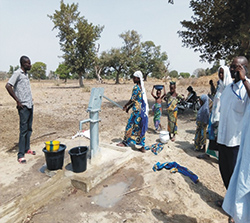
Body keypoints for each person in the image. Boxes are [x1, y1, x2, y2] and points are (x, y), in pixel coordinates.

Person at [216, 56, 250, 211]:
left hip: (237, 142)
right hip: (223, 139)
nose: (233, 70)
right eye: (232, 66)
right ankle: (229, 202)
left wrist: (244, 80)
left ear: (244, 68)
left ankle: (237, 211)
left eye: (237, 67)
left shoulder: (247, 87)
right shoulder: (228, 88)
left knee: (237, 177)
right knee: (224, 171)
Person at [5, 56, 35, 164]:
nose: (30, 65)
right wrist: (17, 101)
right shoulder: (17, 73)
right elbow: (8, 86)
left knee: (29, 128)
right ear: (22, 64)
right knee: (23, 131)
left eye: (30, 63)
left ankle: (27, 149)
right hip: (23, 107)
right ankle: (20, 155)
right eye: (28, 63)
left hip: (30, 105)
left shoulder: (26, 75)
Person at [198, 66, 232, 159]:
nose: (220, 75)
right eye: (219, 73)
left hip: (223, 117)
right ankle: (208, 153)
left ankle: (220, 157)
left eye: (222, 73)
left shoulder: (229, 87)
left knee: (220, 138)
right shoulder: (220, 86)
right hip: (215, 116)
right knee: (213, 136)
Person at [117, 71, 149, 153]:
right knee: (139, 128)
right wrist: (129, 107)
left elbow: (132, 99)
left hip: (136, 112)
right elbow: (137, 100)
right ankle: (142, 146)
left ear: (138, 78)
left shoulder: (136, 87)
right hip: (142, 111)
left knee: (129, 126)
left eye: (134, 77)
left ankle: (125, 142)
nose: (132, 79)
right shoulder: (141, 88)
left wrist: (125, 105)